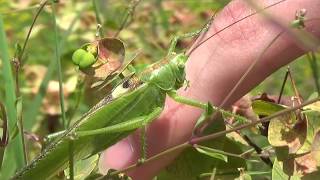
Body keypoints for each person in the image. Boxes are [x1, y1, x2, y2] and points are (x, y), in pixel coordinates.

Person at [99, 0, 320, 179]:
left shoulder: (167, 63)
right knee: (144, 118)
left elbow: (176, 41)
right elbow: (146, 123)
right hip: (118, 108)